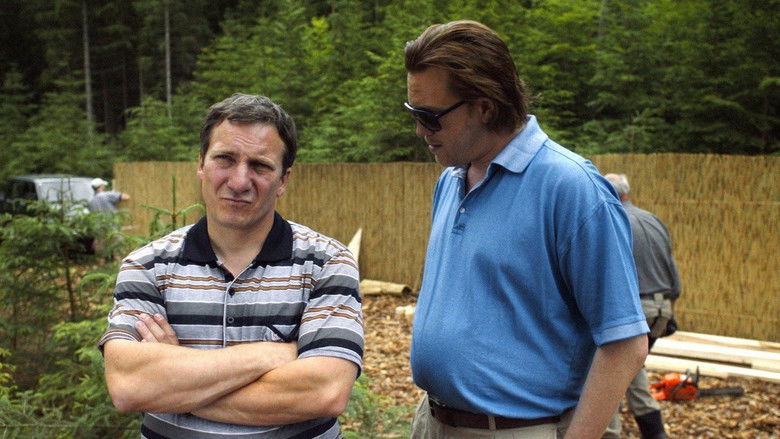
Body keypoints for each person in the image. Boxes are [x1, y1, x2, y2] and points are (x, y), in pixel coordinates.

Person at [403, 20, 649, 439]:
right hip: (433, 421)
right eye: (414, 114)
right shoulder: (450, 181)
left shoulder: (571, 188)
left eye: (430, 117)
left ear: (485, 107)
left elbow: (625, 343)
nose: (420, 130)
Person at [98, 93, 364, 438]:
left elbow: (324, 392)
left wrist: (174, 384)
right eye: (225, 159)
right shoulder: (146, 266)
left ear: (283, 180)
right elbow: (128, 386)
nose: (239, 182)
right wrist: (268, 355)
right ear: (201, 164)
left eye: (260, 166)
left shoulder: (326, 263)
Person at [602, 173, 681, 439]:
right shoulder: (653, 220)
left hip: (633, 311)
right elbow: (674, 278)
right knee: (631, 366)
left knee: (605, 374)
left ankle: (609, 434)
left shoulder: (613, 221)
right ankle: (655, 432)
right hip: (661, 309)